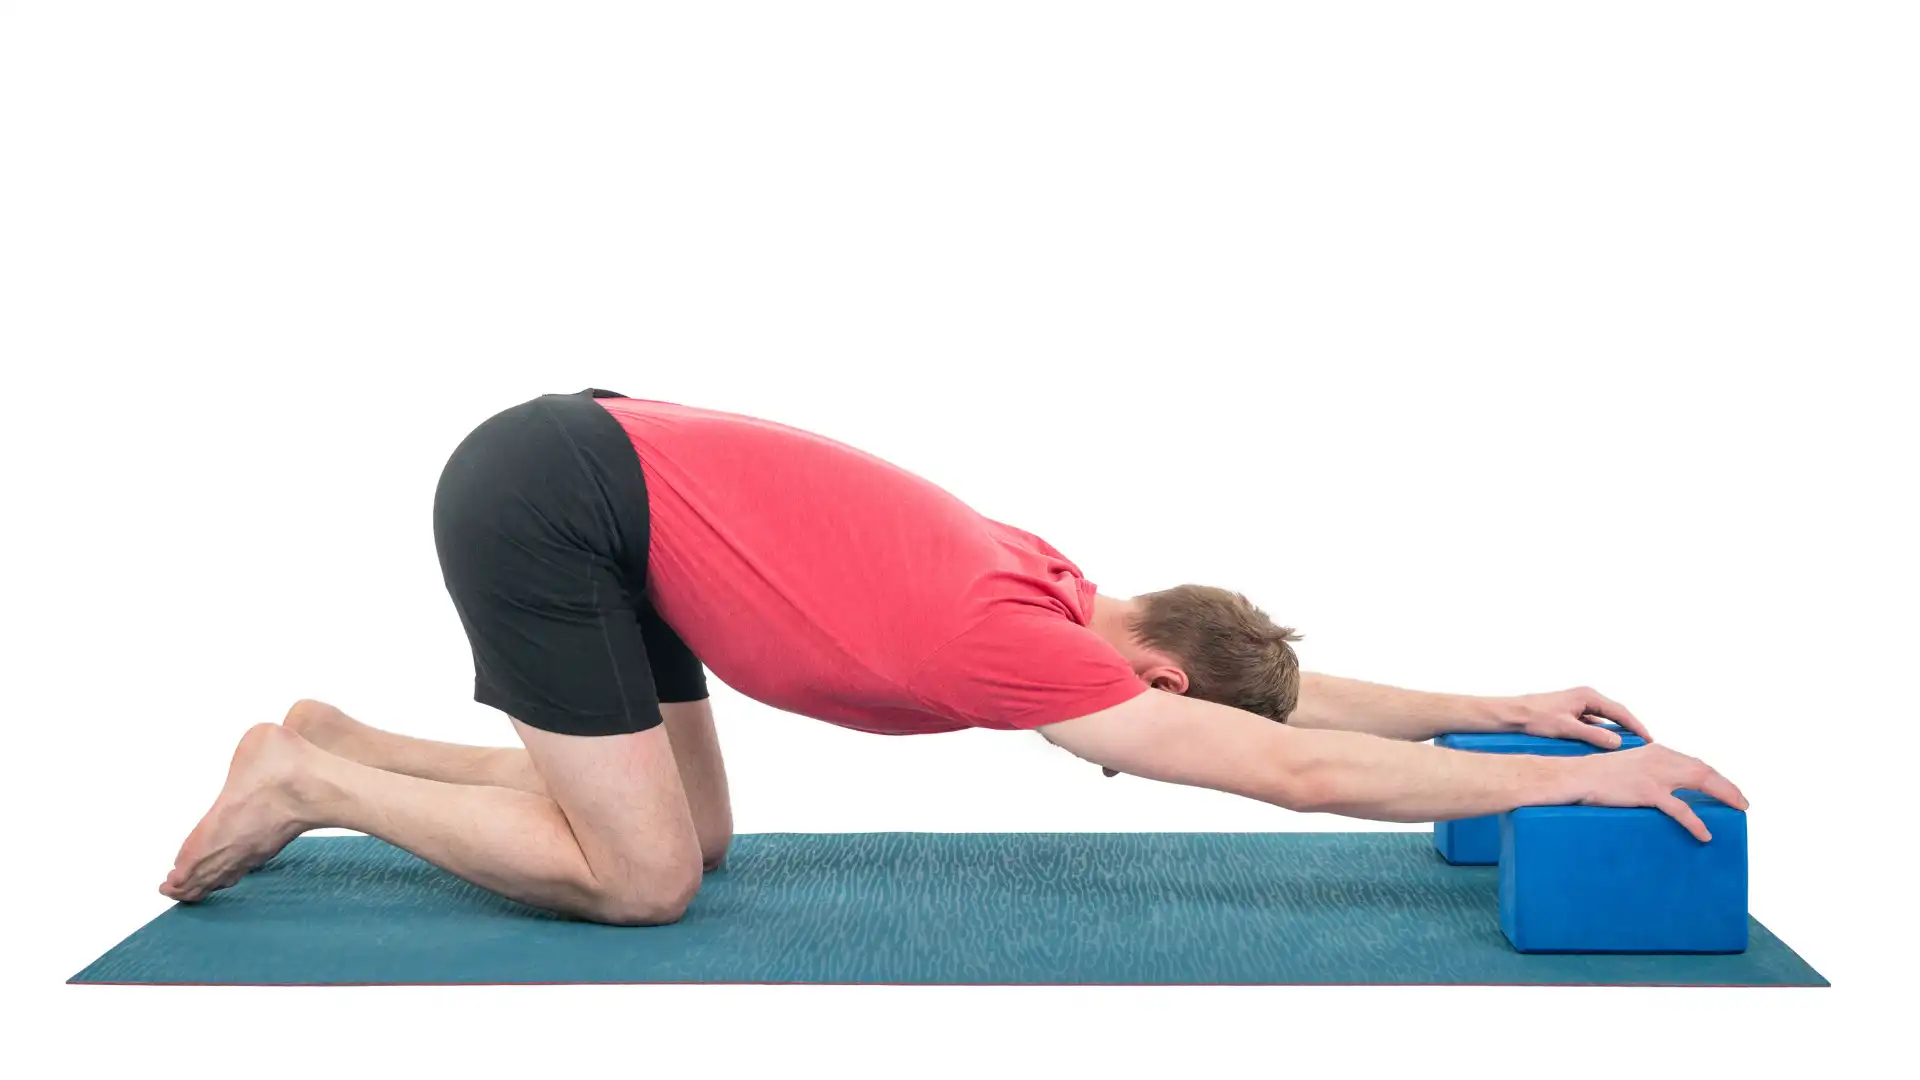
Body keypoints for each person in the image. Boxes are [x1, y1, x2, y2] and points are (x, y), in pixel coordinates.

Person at [162, 388, 1748, 924]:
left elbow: (1288, 703)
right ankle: (313, 781)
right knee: (643, 884)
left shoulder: (1064, 591)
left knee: (692, 839)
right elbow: (1295, 765)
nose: (1127, 722)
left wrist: (1498, 709)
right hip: (562, 502)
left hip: (605, 484)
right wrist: (1613, 787)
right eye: (1149, 714)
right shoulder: (1027, 648)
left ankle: (341, 734)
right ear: (1157, 678)